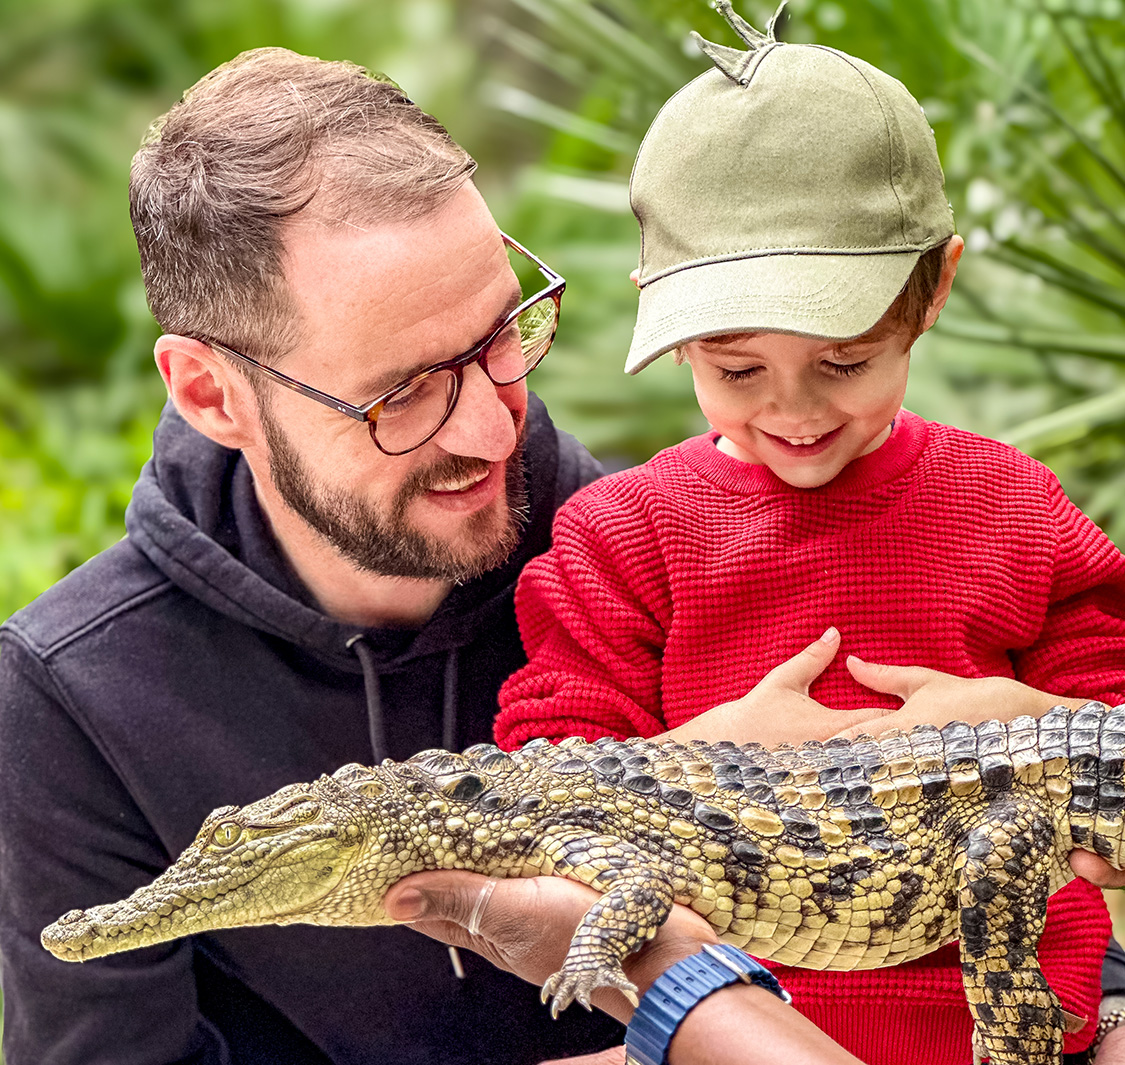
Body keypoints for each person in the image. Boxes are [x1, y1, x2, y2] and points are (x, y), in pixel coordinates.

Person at [492, 5, 1125, 1063]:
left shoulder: (1009, 502)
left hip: (1020, 1030)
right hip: (727, 1029)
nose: (793, 410)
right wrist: (707, 754)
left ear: (935, 291)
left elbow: (1112, 720)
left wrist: (1025, 714)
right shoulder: (623, 535)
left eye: (845, 362)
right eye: (737, 371)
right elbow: (538, 792)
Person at [0, 47, 626, 1065]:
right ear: (211, 395)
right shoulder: (73, 694)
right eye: (402, 394)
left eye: (499, 337)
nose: (487, 431)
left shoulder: (676, 552)